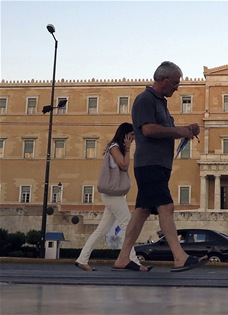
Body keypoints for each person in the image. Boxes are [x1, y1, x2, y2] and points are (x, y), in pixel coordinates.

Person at [113, 61, 205, 272]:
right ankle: (180, 256)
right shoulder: (145, 99)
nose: (176, 88)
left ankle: (123, 257)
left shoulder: (161, 103)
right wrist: (179, 131)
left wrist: (185, 130)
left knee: (142, 211)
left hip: (159, 164)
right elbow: (149, 130)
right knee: (166, 207)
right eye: (174, 83)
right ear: (163, 80)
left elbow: (166, 131)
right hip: (150, 163)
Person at [75, 123, 146, 271]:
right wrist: (127, 148)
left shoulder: (117, 147)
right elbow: (124, 165)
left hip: (114, 195)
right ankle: (133, 261)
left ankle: (82, 259)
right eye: (131, 135)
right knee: (128, 226)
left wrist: (126, 148)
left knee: (102, 230)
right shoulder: (114, 147)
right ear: (125, 135)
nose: (133, 139)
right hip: (113, 195)